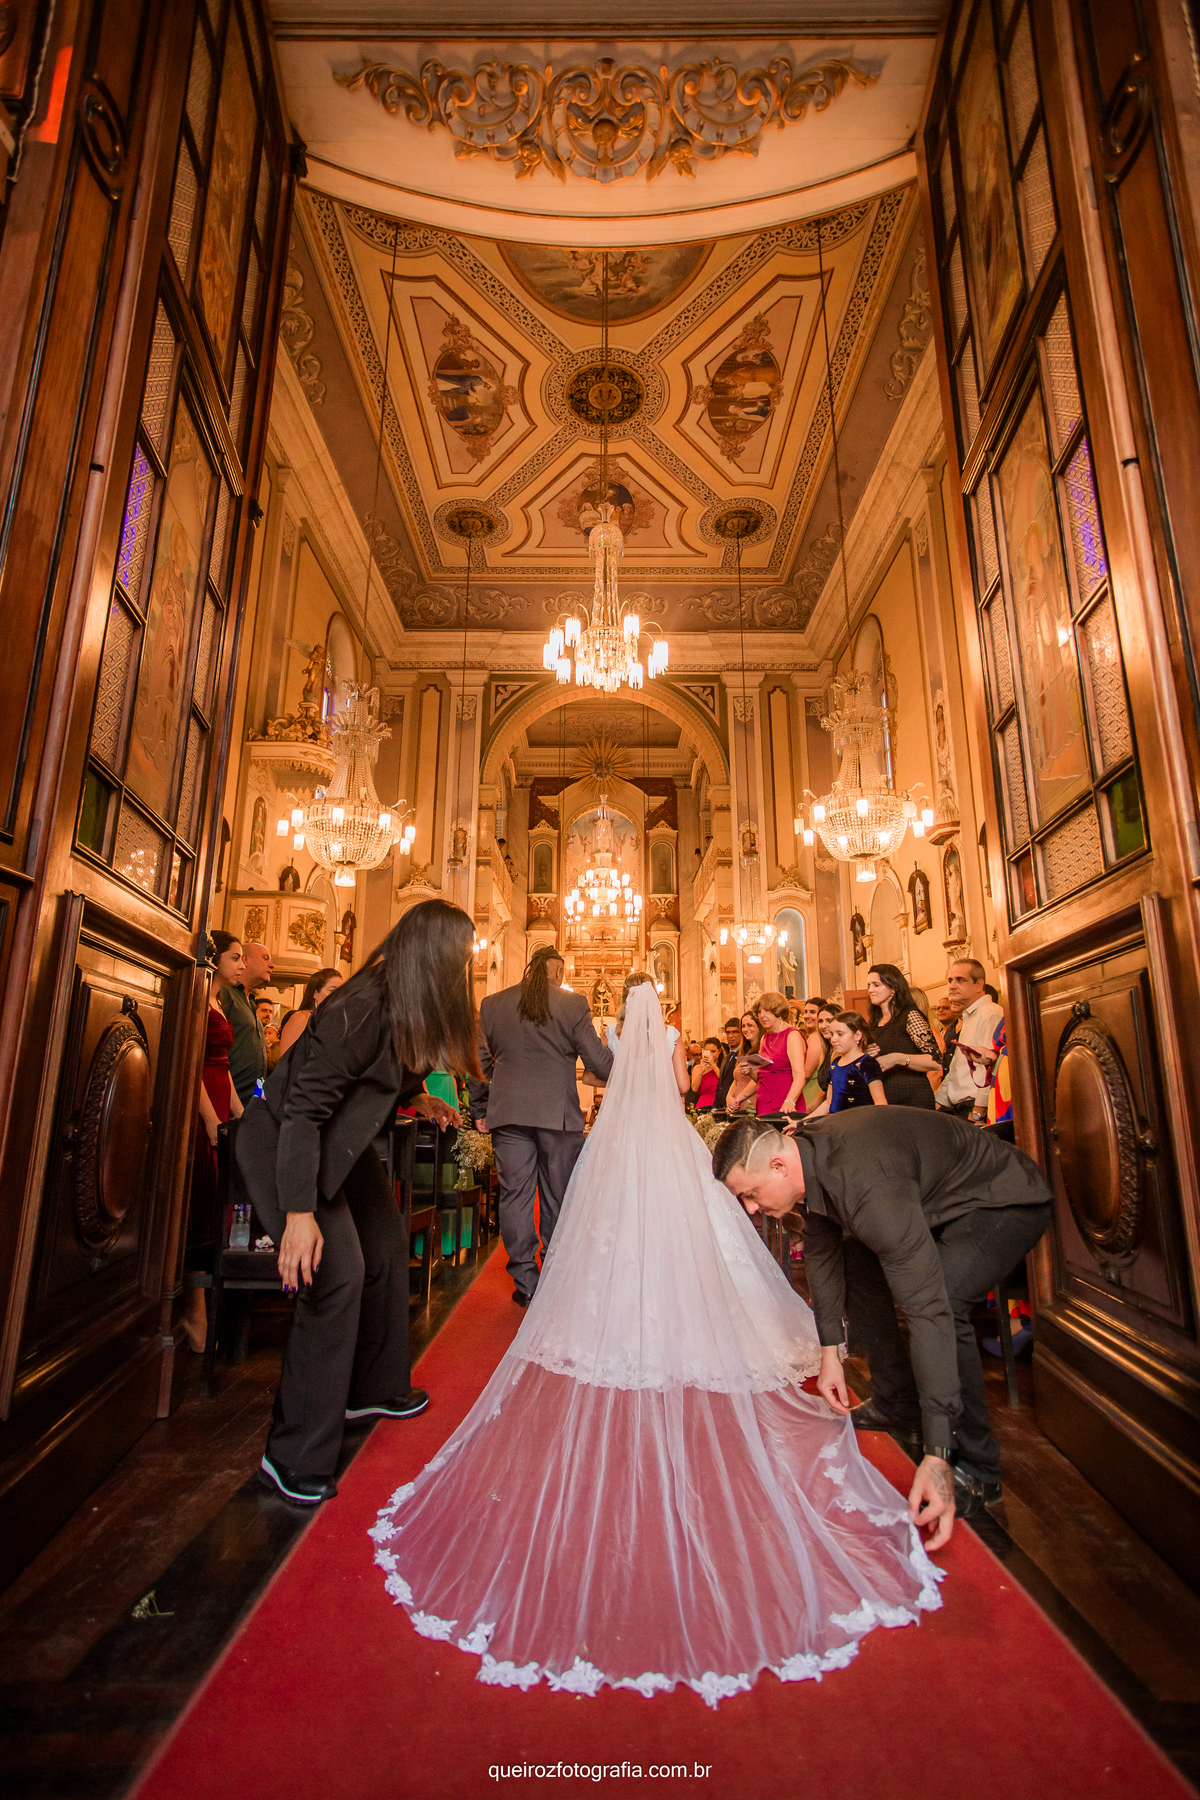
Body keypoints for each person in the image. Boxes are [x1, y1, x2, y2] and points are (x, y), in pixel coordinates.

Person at [372, 983, 944, 1703]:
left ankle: (585, 1299)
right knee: (686, 1224)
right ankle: (687, 1302)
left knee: (603, 1223)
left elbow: (606, 1074)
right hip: (666, 1137)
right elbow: (673, 1089)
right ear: (662, 1012)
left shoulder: (610, 1046)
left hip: (617, 1136)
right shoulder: (670, 1039)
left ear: (621, 1020)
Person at [235, 900, 471, 1506]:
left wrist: (424, 1102)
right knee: (336, 1272)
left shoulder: (400, 1006)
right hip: (288, 1139)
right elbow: (303, 1112)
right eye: (460, 957)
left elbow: (388, 1075)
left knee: (386, 1248)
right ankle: (290, 1456)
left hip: (339, 1142)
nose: (465, 969)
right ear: (432, 958)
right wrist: (298, 1215)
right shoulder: (359, 1006)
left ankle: (374, 1386)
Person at [713, 1110, 1053, 1522]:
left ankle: (980, 1468)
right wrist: (828, 1354)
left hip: (1003, 1200)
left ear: (779, 1166)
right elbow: (822, 1254)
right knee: (857, 1260)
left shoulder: (869, 1187)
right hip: (937, 1204)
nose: (751, 1208)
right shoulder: (811, 1158)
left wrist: (937, 1451)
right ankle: (898, 1403)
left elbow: (928, 1310)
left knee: (943, 1296)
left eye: (750, 1193)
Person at [468, 945, 613, 1307]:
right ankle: (554, 1272)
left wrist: (481, 1107)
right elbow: (598, 1061)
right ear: (558, 972)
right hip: (557, 1114)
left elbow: (478, 1063)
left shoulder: (493, 1004)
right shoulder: (572, 1004)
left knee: (515, 1197)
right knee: (557, 1194)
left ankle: (525, 1281)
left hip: (509, 1113)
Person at [182, 932, 247, 1353]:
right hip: (200, 1098)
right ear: (214, 958)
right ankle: (193, 1307)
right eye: (235, 957)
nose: (240, 964)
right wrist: (209, 1119)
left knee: (219, 1203)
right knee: (201, 1204)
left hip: (221, 1094)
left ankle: (210, 1304)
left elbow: (223, 1066)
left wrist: (243, 1115)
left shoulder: (219, 1001)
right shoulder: (194, 994)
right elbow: (192, 1061)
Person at [936, 959, 1004, 1121]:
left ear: (979, 984)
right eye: (950, 980)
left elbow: (990, 1069)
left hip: (973, 1108)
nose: (952, 986)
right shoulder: (969, 1016)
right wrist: (935, 1102)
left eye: (960, 980)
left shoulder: (990, 1013)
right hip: (957, 1107)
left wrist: (978, 1112)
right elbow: (956, 1071)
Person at [865, 963, 941, 1109]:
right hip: (885, 1099)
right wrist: (866, 1054)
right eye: (869, 985)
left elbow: (936, 1061)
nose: (870, 990)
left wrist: (898, 1058)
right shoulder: (874, 1023)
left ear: (893, 988)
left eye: (876, 985)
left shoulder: (910, 1016)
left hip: (912, 1097)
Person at [220, 939, 273, 1104]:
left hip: (251, 1102)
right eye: (266, 958)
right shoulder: (226, 993)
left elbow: (259, 1066)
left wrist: (260, 1099)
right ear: (245, 960)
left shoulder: (250, 1002)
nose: (272, 965)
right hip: (229, 1099)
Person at [805, 1012, 887, 1117]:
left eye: (840, 1034)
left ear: (857, 1035)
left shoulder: (866, 1063)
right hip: (837, 1124)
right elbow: (828, 1103)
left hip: (859, 1123)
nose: (833, 1039)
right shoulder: (834, 1064)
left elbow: (880, 1101)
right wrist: (802, 1122)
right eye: (832, 1034)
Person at [753, 991, 813, 1116]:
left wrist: (790, 1101)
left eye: (767, 1011)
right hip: (764, 1102)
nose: (762, 1015)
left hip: (786, 1101)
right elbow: (760, 1078)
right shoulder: (764, 1038)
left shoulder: (792, 1035)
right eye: (759, 1012)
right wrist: (749, 1070)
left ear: (779, 1011)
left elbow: (799, 1074)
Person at [278, 966, 343, 1057]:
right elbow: (286, 1062)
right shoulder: (301, 1018)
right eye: (332, 990)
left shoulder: (338, 1022)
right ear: (315, 993)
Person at [723, 1009, 763, 1114]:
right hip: (738, 1105)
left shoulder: (762, 1050)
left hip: (751, 1103)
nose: (746, 1029)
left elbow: (758, 1080)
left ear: (759, 1027)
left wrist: (737, 1100)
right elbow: (737, 1079)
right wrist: (729, 1098)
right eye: (743, 1026)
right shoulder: (745, 1051)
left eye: (750, 1025)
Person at [801, 996, 829, 1110]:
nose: (807, 1016)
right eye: (805, 1012)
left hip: (811, 1093)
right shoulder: (818, 1036)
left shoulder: (816, 1037)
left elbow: (806, 1074)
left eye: (812, 1012)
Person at [712, 1016, 745, 1110]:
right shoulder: (726, 1058)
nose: (731, 1036)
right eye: (728, 1032)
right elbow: (720, 1085)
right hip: (722, 1107)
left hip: (737, 1105)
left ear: (742, 1033)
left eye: (735, 1032)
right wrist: (715, 1107)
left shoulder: (745, 1056)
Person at [690, 1036, 726, 1111]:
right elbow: (694, 1088)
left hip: (719, 1106)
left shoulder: (723, 1067)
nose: (710, 1055)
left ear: (719, 1051)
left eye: (713, 1051)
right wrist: (701, 1071)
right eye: (707, 1052)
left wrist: (713, 1065)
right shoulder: (698, 1068)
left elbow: (724, 1081)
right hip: (702, 1105)